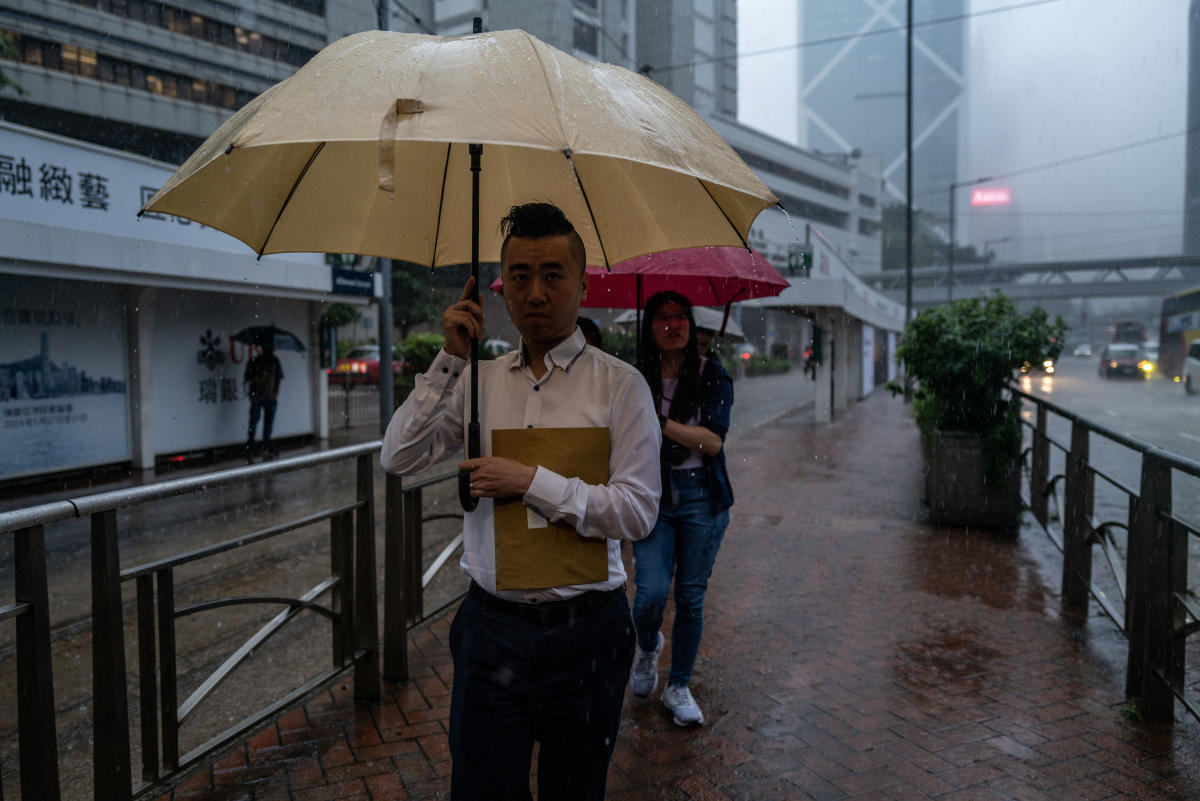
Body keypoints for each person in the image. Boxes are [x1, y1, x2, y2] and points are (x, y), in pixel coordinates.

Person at [381, 202, 662, 801]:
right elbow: (398, 457)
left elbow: (638, 512)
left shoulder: (621, 387)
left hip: (588, 633)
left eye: (554, 275)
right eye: (519, 276)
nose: (536, 292)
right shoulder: (477, 383)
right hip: (490, 631)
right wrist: (450, 358)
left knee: (575, 791)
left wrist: (530, 481)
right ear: (499, 288)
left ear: (584, 284)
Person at [630, 290, 734, 727]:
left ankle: (678, 685)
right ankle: (649, 644)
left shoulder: (713, 374)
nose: (671, 325)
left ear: (691, 325)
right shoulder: (635, 378)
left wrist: (662, 425)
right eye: (661, 317)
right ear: (648, 327)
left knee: (690, 597)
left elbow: (712, 442)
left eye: (679, 316)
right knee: (650, 593)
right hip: (652, 495)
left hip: (700, 498)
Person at [244, 342, 283, 461]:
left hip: (270, 397)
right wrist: (258, 377)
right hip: (257, 396)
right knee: (254, 422)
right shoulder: (255, 361)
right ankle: (250, 447)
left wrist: (276, 391)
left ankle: (266, 446)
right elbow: (248, 377)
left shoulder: (275, 361)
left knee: (268, 424)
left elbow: (279, 377)